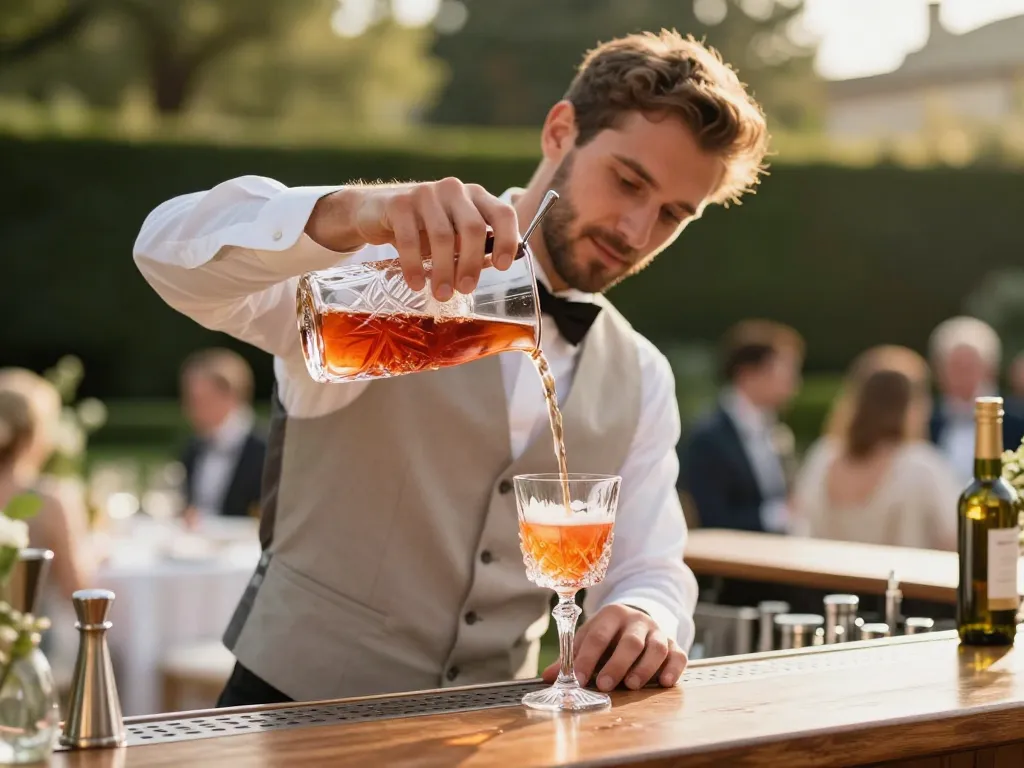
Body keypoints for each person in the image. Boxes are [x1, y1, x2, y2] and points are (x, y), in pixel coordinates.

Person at [133, 30, 771, 706]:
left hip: (495, 731)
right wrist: (353, 214)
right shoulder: (378, 275)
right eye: (628, 181)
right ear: (560, 132)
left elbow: (650, 567)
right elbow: (165, 256)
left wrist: (646, 614)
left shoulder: (641, 374)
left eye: (673, 214)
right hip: (293, 716)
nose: (636, 231)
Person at [792, 346, 958, 550]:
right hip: (900, 571)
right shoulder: (921, 466)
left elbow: (799, 518)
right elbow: (953, 539)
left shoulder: (822, 455)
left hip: (825, 570)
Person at [680, 320, 804, 533]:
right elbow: (711, 518)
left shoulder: (774, 428)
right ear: (748, 373)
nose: (793, 382)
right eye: (784, 370)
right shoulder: (708, 438)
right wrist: (779, 515)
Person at [928, 316, 1024, 484]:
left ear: (990, 369)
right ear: (940, 372)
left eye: (971, 366)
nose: (963, 375)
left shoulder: (1017, 421)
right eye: (956, 367)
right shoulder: (926, 422)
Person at [179, 348, 266, 520]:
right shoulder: (192, 448)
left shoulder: (270, 449)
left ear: (229, 396)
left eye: (197, 400)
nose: (188, 409)